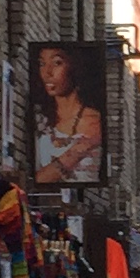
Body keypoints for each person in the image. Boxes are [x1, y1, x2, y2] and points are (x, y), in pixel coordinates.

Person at [32, 41, 105, 187]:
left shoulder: (92, 122)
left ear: (74, 68)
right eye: (42, 64)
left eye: (57, 63)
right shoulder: (40, 117)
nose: (47, 72)